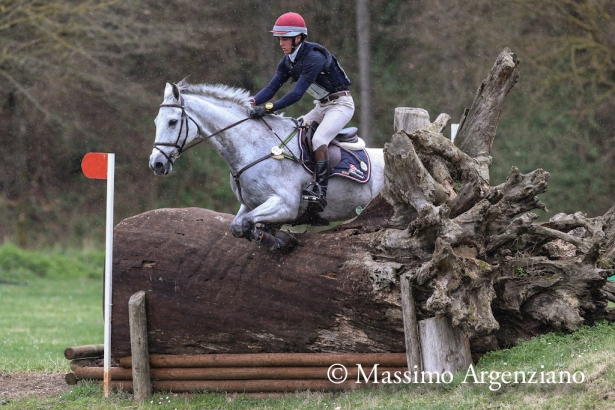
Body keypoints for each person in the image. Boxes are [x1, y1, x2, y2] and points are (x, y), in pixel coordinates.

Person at [250, 12, 354, 214]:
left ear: (298, 38)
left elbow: (297, 94)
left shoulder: (313, 58)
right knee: (293, 132)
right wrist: (251, 102)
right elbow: (271, 88)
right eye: (279, 38)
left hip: (341, 105)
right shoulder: (288, 61)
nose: (281, 43)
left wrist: (269, 108)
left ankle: (320, 192)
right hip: (321, 106)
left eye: (285, 38)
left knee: (319, 140)